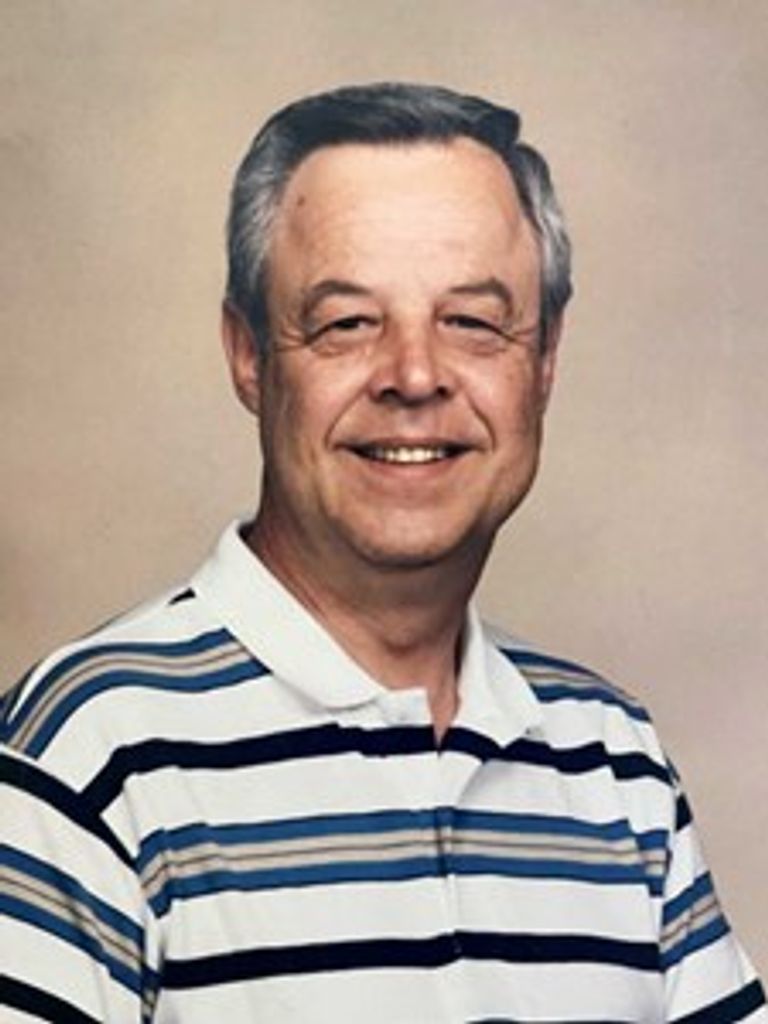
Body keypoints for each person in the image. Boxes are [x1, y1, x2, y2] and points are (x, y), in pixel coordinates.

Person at [0, 82, 764, 1023]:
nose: (414, 375)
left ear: (545, 360)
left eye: (473, 322)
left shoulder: (614, 765)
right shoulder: (86, 757)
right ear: (248, 355)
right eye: (347, 323)